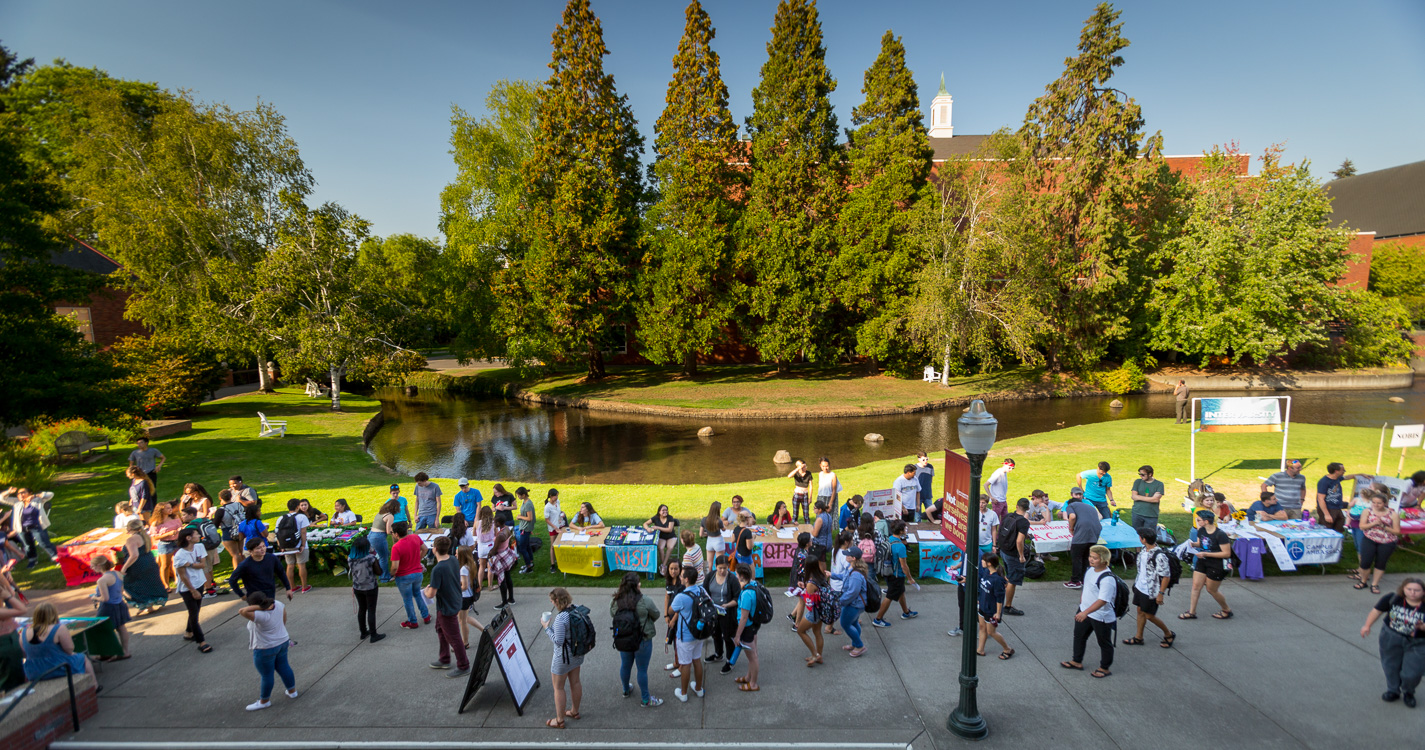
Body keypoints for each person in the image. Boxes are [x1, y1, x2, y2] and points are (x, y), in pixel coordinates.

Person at [1361, 578, 1425, 707]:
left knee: (1412, 673)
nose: (1413, 593)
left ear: (1423, 592)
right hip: (1391, 637)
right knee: (1390, 666)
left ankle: (1408, 691)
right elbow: (1376, 611)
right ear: (1403, 589)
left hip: (1418, 642)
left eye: (1417, 590)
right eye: (1409, 589)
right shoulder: (1393, 598)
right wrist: (1367, 626)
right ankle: (1393, 690)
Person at [1060, 545, 1117, 678]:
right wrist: (1082, 604)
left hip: (1100, 616)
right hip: (1085, 611)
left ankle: (1105, 668)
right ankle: (1076, 661)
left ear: (1104, 560)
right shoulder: (1091, 570)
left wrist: (1085, 612)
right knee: (1079, 636)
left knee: (1104, 642)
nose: (1091, 560)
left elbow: (1103, 600)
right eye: (1090, 557)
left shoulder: (1107, 579)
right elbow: (1087, 588)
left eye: (1095, 558)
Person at [612, 573, 665, 709]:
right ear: (636, 585)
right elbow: (656, 614)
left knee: (625, 665)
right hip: (643, 640)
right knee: (642, 670)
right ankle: (646, 699)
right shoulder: (645, 600)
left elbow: (613, 614)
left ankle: (625, 689)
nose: (640, 584)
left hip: (624, 640)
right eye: (639, 582)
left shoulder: (616, 600)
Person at [239, 592, 297, 711]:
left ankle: (264, 701)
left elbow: (242, 611)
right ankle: (292, 691)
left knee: (266, 675)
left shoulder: (261, 615)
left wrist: (260, 607)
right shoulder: (279, 604)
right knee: (284, 667)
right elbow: (283, 618)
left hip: (265, 648)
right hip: (282, 641)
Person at [422, 535, 470, 677]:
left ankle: (463, 665)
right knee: (440, 630)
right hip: (453, 601)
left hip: (446, 607)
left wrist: (426, 590)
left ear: (434, 549)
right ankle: (444, 659)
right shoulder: (454, 560)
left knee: (454, 637)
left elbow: (431, 594)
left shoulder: (438, 569)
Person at [1125, 527, 1175, 648]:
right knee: (1140, 611)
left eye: (1140, 537)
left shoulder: (1159, 556)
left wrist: (1160, 594)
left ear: (1144, 539)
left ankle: (1168, 634)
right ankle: (1138, 637)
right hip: (1141, 587)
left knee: (1149, 615)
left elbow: (1166, 576)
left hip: (1151, 590)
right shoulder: (1144, 550)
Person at [541, 587, 583, 729]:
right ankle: (575, 711)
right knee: (575, 682)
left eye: (552, 601)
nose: (552, 603)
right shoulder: (576, 609)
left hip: (562, 658)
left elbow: (558, 641)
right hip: (577, 654)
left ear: (557, 600)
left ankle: (559, 720)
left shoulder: (561, 618)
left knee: (558, 688)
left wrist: (546, 628)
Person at [23, 602, 95, 683]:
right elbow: (69, 649)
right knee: (83, 657)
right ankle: (94, 685)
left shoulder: (25, 631)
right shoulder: (59, 628)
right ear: (54, 614)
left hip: (34, 670)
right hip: (57, 667)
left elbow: (24, 654)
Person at [1181, 510, 1232, 620]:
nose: (1197, 521)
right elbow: (1201, 543)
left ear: (1206, 521)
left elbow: (1226, 553)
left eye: (1199, 520)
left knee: (1211, 589)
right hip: (1203, 561)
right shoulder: (1201, 530)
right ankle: (1192, 612)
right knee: (1195, 586)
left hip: (1216, 564)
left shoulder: (1220, 535)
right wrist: (1193, 544)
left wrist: (1205, 553)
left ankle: (1226, 609)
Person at [668, 566, 707, 702]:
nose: (679, 577)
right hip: (699, 633)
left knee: (685, 664)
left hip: (685, 636)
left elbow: (671, 610)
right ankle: (698, 689)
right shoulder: (702, 590)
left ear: (686, 579)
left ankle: (683, 693)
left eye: (682, 575)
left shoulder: (681, 597)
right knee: (697, 660)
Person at [173, 528, 214, 653]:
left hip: (199, 583)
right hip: (187, 588)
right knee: (194, 613)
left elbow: (202, 564)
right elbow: (183, 576)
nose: (199, 535)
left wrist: (190, 564)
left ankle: (188, 632)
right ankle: (201, 641)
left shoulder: (199, 547)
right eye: (196, 534)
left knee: (195, 611)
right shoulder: (179, 555)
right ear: (188, 538)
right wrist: (192, 590)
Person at [871, 519, 917, 626]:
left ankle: (906, 612)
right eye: (904, 528)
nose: (906, 530)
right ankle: (878, 619)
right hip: (897, 575)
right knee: (890, 596)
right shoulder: (900, 546)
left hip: (888, 572)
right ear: (901, 531)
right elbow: (904, 566)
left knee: (901, 592)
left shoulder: (889, 539)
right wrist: (910, 578)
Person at [1356, 490, 1402, 595]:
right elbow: (1362, 526)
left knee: (1380, 563)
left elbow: (1397, 531)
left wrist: (1384, 527)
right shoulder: (1367, 511)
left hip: (1387, 541)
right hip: (1370, 538)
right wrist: (1373, 523)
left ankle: (1375, 584)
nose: (1376, 505)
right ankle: (1363, 581)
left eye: (1379, 503)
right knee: (1365, 562)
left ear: (1385, 503)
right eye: (1374, 502)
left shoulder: (1393, 514)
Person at [119, 518, 168, 615]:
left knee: (133, 584)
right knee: (149, 583)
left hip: (138, 565)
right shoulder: (146, 536)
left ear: (130, 528)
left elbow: (134, 555)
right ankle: (149, 606)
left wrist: (124, 567)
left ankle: (144, 604)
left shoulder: (131, 539)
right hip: (149, 562)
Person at [1, 487, 57, 569]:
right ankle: (32, 560)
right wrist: (8, 492)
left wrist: (35, 496)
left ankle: (55, 556)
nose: (20, 495)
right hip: (22, 528)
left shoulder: (37, 500)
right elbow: (1, 498)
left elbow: (51, 494)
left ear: (29, 493)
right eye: (19, 493)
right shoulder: (16, 502)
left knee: (43, 543)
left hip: (37, 526)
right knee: (27, 545)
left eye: (23, 492)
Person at [88, 557, 131, 660]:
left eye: (93, 566)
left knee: (102, 629)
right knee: (121, 628)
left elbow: (105, 598)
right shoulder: (118, 574)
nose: (92, 568)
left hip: (108, 607)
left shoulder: (102, 580)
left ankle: (107, 653)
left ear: (99, 566)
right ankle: (125, 651)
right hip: (120, 604)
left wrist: (94, 597)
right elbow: (121, 591)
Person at [390, 521, 430, 629]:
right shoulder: (415, 537)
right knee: (417, 593)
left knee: (407, 599)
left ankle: (413, 621)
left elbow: (394, 567)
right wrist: (418, 559)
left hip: (403, 577)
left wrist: (392, 574)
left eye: (392, 532)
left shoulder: (396, 547)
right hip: (417, 573)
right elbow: (425, 549)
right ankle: (426, 616)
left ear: (396, 534)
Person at [228, 538, 294, 602]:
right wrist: (241, 595)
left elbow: (281, 573)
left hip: (270, 592)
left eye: (263, 546)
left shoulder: (272, 558)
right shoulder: (245, 565)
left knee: (276, 610)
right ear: (250, 551)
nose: (262, 549)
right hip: (255, 596)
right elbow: (232, 580)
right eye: (258, 548)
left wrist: (288, 588)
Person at [347, 536, 385, 643]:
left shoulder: (350, 558)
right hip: (370, 587)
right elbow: (379, 572)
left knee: (362, 609)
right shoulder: (370, 559)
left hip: (357, 587)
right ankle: (373, 635)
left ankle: (363, 632)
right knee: (371, 610)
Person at [705, 554, 740, 666]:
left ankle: (730, 660)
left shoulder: (732, 579)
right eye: (720, 568)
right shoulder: (710, 576)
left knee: (728, 636)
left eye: (725, 568)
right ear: (715, 566)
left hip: (727, 613)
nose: (722, 570)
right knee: (715, 634)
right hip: (713, 611)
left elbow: (737, 598)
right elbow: (705, 592)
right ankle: (718, 654)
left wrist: (727, 605)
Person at [976, 553, 1013, 659]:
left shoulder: (997, 580)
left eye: (983, 560)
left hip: (991, 610)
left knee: (991, 632)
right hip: (983, 606)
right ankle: (980, 650)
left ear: (989, 563)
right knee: (982, 627)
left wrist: (997, 613)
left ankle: (1007, 649)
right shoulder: (986, 572)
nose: (981, 562)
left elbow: (999, 598)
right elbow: (981, 584)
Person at [997, 499, 1030, 617]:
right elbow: (1019, 541)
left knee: (1008, 576)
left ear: (1017, 506)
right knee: (1012, 580)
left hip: (1004, 551)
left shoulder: (1008, 516)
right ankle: (1008, 606)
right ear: (1028, 508)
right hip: (1013, 555)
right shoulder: (1024, 522)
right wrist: (1021, 556)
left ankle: (1001, 597)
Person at [732, 563, 762, 688]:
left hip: (747, 628)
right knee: (752, 654)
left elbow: (744, 618)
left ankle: (753, 684)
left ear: (741, 576)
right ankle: (749, 677)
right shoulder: (754, 584)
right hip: (754, 625)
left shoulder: (746, 595)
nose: (735, 575)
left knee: (752, 657)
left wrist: (737, 635)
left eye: (737, 574)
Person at [1316, 462, 1370, 533]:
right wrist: (1326, 514)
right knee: (1327, 529)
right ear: (1336, 471)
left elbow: (1347, 477)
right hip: (1328, 509)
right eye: (1343, 470)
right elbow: (1320, 499)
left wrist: (1360, 475)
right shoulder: (1324, 482)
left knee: (1339, 526)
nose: (1344, 472)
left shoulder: (1337, 478)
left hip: (1337, 508)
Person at [1064, 488, 1100, 589]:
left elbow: (1072, 517)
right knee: (1086, 557)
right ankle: (1084, 579)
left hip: (1082, 533)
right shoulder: (1090, 507)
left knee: (1077, 557)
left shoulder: (1070, 505)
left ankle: (1075, 581)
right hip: (1095, 533)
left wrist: (1071, 528)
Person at [836, 550, 869, 657]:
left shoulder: (855, 574)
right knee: (854, 623)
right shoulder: (852, 568)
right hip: (856, 604)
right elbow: (845, 577)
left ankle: (859, 646)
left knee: (845, 624)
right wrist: (832, 575)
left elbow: (852, 592)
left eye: (847, 555)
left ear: (853, 558)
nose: (845, 556)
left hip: (854, 604)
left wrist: (840, 601)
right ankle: (855, 644)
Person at [795, 557, 827, 667]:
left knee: (800, 631)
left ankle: (815, 655)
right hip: (821, 609)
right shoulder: (821, 577)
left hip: (814, 612)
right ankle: (819, 655)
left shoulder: (810, 583)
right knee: (817, 633)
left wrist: (803, 591)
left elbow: (808, 601)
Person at [279, 498, 312, 594]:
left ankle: (292, 587)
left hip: (286, 545)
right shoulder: (301, 517)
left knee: (290, 565)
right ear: (298, 507)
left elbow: (278, 534)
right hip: (299, 545)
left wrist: (281, 546)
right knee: (301, 565)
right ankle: (304, 586)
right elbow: (303, 533)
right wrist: (302, 545)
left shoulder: (281, 518)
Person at [0, 577, 28, 692]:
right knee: (10, 682)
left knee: (17, 677)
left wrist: (6, 590)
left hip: (10, 641)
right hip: (5, 645)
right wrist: (7, 596)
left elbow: (11, 590)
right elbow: (22, 609)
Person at [148, 501, 181, 590]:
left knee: (178, 562)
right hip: (165, 544)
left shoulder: (175, 516)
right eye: (168, 508)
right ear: (161, 510)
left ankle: (179, 580)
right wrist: (168, 533)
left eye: (170, 507)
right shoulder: (156, 522)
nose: (170, 510)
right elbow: (155, 537)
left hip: (177, 541)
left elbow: (179, 526)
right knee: (165, 565)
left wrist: (180, 529)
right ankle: (166, 585)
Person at [662, 558, 685, 676]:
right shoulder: (669, 581)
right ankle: (676, 662)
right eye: (671, 568)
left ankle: (681, 666)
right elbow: (667, 597)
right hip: (671, 617)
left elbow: (681, 605)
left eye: (676, 568)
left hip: (679, 618)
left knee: (679, 642)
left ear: (680, 569)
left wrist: (674, 620)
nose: (673, 571)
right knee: (673, 640)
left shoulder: (681, 585)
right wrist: (666, 615)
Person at [643, 504, 679, 578]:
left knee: (670, 547)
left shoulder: (670, 518)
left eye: (666, 510)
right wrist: (647, 529)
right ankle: (664, 565)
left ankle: (663, 566)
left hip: (671, 536)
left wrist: (657, 527)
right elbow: (645, 523)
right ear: (659, 512)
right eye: (663, 510)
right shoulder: (656, 518)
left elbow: (669, 529)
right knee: (661, 548)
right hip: (661, 537)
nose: (665, 511)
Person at [455, 546, 481, 647]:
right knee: (465, 618)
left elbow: (464, 586)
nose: (455, 555)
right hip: (469, 596)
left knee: (462, 621)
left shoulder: (463, 569)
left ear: (462, 556)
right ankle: (484, 630)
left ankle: (465, 642)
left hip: (464, 597)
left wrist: (454, 589)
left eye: (457, 553)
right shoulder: (472, 564)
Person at [1129, 465, 1164, 535]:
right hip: (1137, 513)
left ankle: (1147, 546)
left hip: (1151, 515)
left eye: (1142, 474)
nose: (1140, 476)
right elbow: (1133, 496)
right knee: (1136, 534)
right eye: (1140, 474)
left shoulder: (1159, 484)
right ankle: (1138, 546)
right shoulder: (1137, 482)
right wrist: (1151, 498)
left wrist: (1138, 497)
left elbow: (1156, 500)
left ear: (1150, 474)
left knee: (1149, 535)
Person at [369, 498, 397, 583]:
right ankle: (384, 577)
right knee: (383, 558)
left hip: (371, 535)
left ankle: (377, 571)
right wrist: (396, 533)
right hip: (378, 537)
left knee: (385, 554)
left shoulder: (380, 513)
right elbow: (388, 531)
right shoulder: (390, 516)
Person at [489, 530, 519, 610]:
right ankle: (511, 599)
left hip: (501, 558)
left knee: (502, 580)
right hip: (507, 555)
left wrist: (490, 554)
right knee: (507, 576)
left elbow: (494, 550)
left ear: (498, 522)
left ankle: (504, 602)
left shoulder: (500, 536)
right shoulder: (506, 530)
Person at [216, 490, 245, 569]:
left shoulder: (221, 510)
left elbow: (215, 524)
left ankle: (237, 574)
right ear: (231, 496)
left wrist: (211, 515)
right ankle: (246, 571)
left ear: (220, 498)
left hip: (228, 532)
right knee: (241, 553)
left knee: (235, 554)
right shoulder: (238, 505)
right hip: (240, 530)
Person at [545, 489, 568, 574]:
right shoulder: (547, 507)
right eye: (555, 496)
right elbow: (547, 520)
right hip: (553, 528)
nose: (557, 497)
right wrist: (555, 528)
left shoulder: (557, 502)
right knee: (553, 545)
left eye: (557, 496)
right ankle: (552, 564)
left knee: (562, 543)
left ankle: (561, 560)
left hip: (560, 525)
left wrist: (562, 514)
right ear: (551, 496)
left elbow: (559, 511)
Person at [515, 487, 538, 574]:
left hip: (525, 529)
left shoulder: (528, 504)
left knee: (522, 548)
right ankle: (530, 563)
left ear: (523, 495)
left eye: (518, 495)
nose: (518, 497)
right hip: (524, 527)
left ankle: (529, 567)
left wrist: (520, 517)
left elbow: (530, 518)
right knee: (527, 546)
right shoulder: (525, 501)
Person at [474, 506, 497, 588]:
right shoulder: (493, 523)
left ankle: (479, 586)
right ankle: (490, 585)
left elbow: (474, 534)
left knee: (481, 566)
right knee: (490, 566)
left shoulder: (477, 523)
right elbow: (496, 534)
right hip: (490, 546)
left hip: (481, 546)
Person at [915, 451, 936, 518]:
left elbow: (931, 480)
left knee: (931, 514)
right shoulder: (914, 468)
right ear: (919, 459)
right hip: (918, 496)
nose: (925, 461)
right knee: (918, 516)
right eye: (923, 460)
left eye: (927, 459)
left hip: (928, 495)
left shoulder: (930, 467)